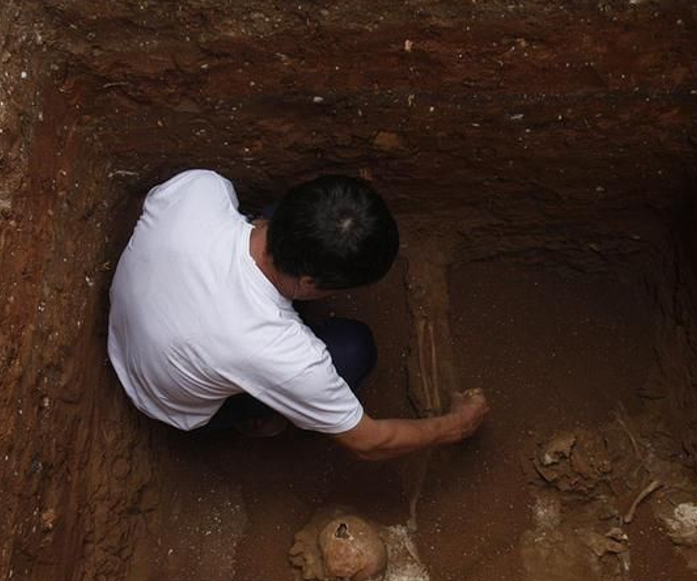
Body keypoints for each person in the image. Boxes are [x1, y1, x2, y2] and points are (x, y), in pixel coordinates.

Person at [107, 169, 489, 460]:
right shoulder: (285, 355)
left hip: (128, 330)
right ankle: (254, 418)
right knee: (354, 350)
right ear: (309, 283)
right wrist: (455, 426)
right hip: (167, 402)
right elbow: (368, 442)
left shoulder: (200, 187)